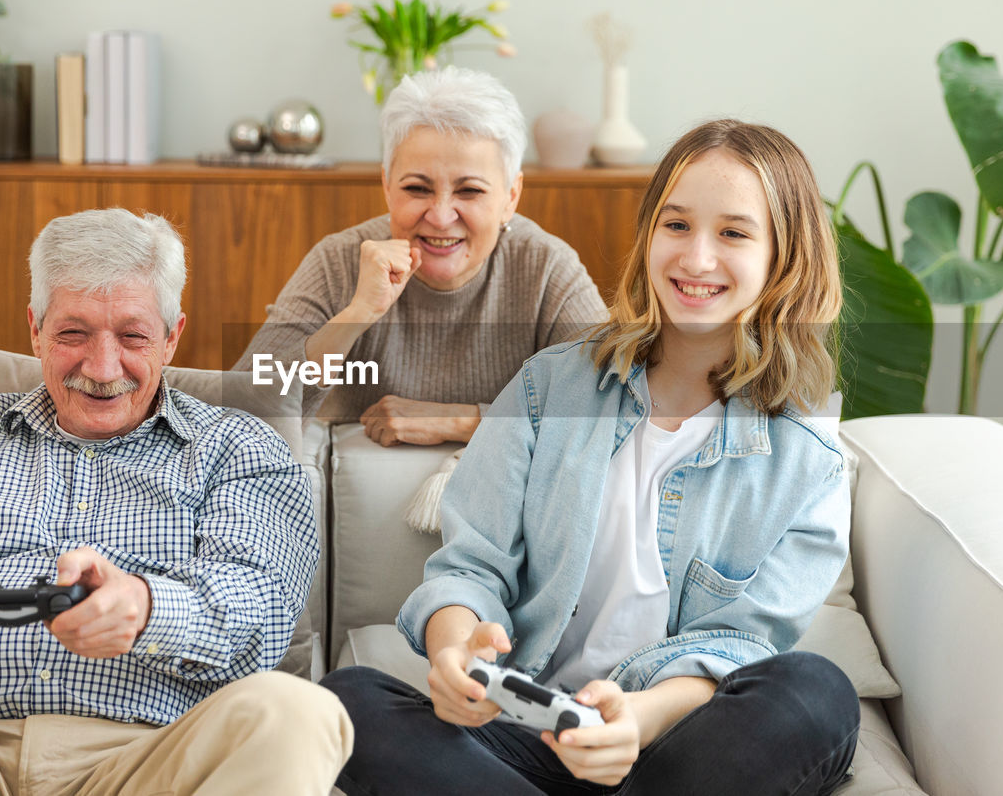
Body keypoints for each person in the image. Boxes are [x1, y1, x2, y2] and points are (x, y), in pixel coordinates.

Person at [322, 119, 860, 795]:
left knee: (816, 691)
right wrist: (454, 650)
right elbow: (469, 567)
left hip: (672, 746)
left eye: (733, 233)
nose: (696, 258)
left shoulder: (807, 458)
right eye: (676, 225)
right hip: (523, 734)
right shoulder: (549, 386)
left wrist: (636, 717)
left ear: (784, 258)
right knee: (345, 701)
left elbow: (740, 646)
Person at [0, 209, 352, 795]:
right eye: (74, 334)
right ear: (35, 329)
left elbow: (261, 615)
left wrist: (147, 607)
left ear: (173, 336)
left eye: (132, 336)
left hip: (149, 760)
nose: (102, 370)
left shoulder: (240, 448)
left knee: (298, 712)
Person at [234, 67, 607, 446]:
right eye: (417, 188)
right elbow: (238, 413)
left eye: (470, 191)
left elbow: (612, 409)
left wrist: (460, 421)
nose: (441, 216)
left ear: (511, 196)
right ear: (386, 186)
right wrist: (357, 315)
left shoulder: (546, 266)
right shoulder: (338, 260)